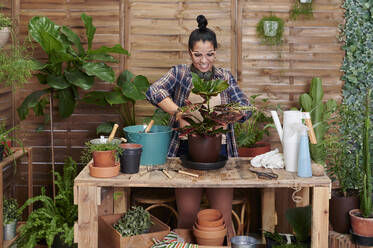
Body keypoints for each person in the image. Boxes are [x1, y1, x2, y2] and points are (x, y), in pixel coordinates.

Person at [146, 15, 250, 238]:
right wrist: (178, 112)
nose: (204, 61)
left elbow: (246, 108)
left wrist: (231, 115)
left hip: (220, 152)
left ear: (216, 52)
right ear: (189, 52)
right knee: (188, 214)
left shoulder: (225, 77)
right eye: (198, 54)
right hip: (185, 152)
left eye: (210, 54)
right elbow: (153, 91)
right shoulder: (180, 74)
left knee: (222, 215)